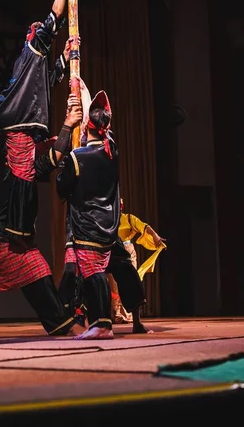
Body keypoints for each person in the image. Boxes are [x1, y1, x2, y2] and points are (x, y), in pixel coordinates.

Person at [0, 95, 84, 336]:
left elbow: (44, 157)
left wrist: (59, 134)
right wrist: (68, 125)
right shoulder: (20, 173)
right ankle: (66, 326)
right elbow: (52, 160)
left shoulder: (16, 171)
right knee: (37, 269)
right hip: (1, 242)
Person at [56, 89, 120, 340]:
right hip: (108, 224)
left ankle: (102, 324)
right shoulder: (112, 150)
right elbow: (105, 121)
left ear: (86, 126)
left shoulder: (77, 156)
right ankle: (100, 322)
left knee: (92, 273)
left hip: (87, 224)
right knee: (97, 272)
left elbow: (63, 188)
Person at [107, 198, 167, 329]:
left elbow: (144, 226)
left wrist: (155, 237)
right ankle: (117, 313)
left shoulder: (128, 218)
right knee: (114, 286)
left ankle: (132, 317)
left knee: (131, 282)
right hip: (112, 252)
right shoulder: (108, 220)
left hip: (127, 252)